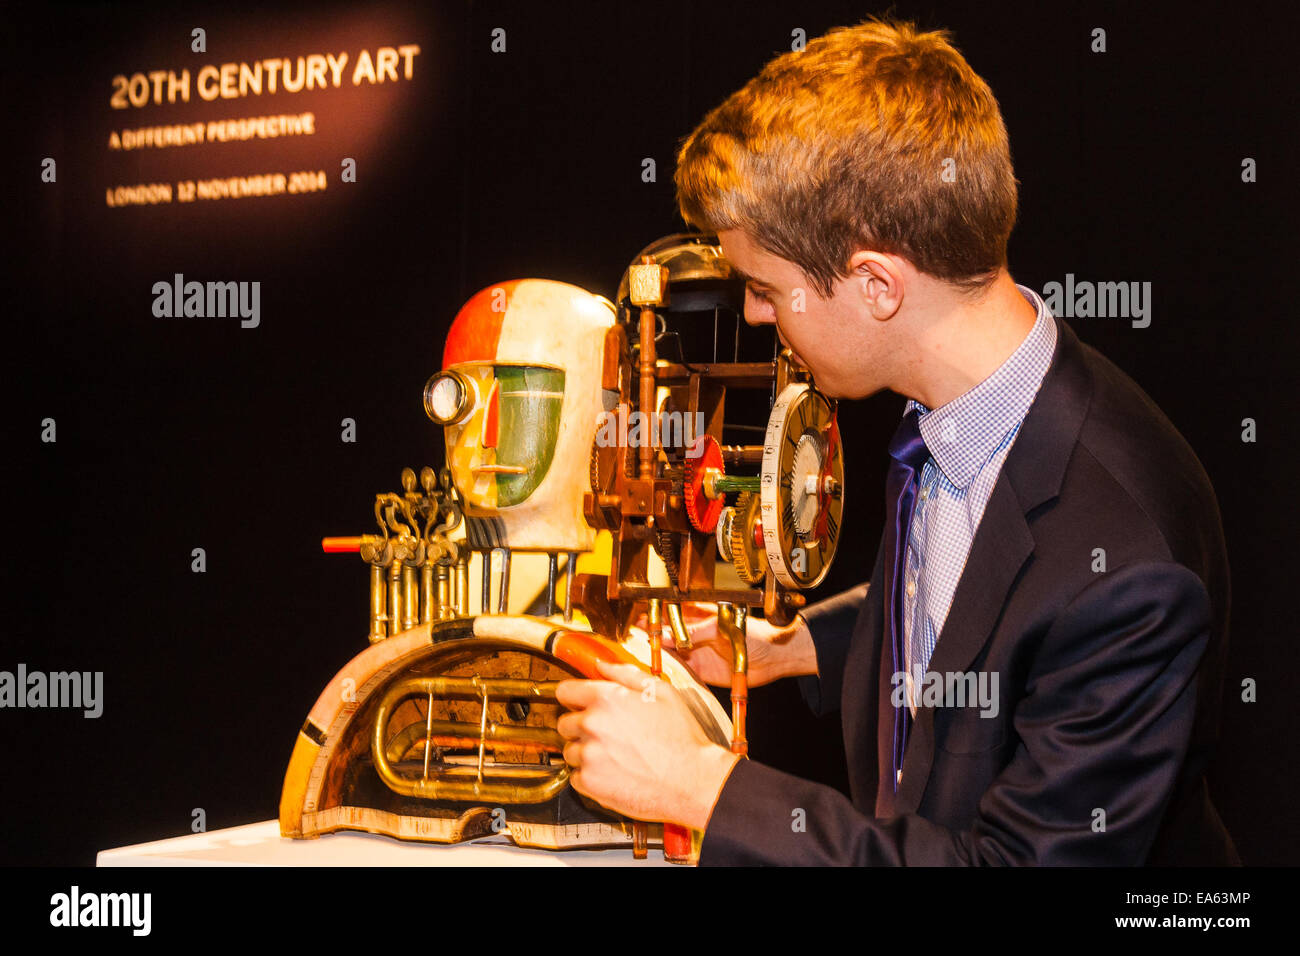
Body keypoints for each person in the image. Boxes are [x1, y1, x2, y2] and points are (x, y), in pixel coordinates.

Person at [554, 16, 1239, 865]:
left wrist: (699, 784)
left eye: (767, 290)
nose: (759, 315)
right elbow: (975, 600)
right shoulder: (959, 403)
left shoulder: (1129, 570)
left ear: (876, 284)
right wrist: (802, 647)